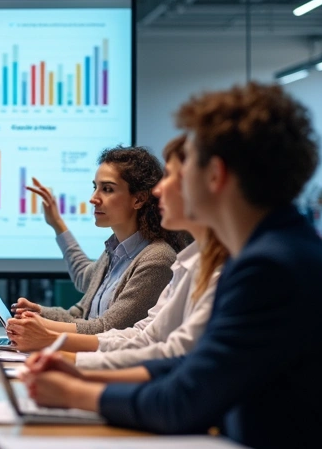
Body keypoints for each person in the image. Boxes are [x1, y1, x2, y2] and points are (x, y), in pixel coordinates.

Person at [23, 83, 322, 449]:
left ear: (216, 175)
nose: (162, 188)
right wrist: (82, 374)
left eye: (182, 171)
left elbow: (182, 401)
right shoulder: (274, 250)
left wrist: (74, 392)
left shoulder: (270, 267)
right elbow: (189, 366)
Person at [60, 135, 228, 369]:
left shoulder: (162, 258)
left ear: (214, 180)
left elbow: (173, 355)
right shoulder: (187, 261)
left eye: (174, 177)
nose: (158, 190)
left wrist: (61, 350)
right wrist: (62, 351)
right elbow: (146, 337)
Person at [6, 146, 186, 350]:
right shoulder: (116, 249)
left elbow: (106, 328)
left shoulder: (157, 258)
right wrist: (39, 313)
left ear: (139, 199)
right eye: (95, 187)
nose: (93, 198)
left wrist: (42, 326)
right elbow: (82, 306)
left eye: (107, 189)